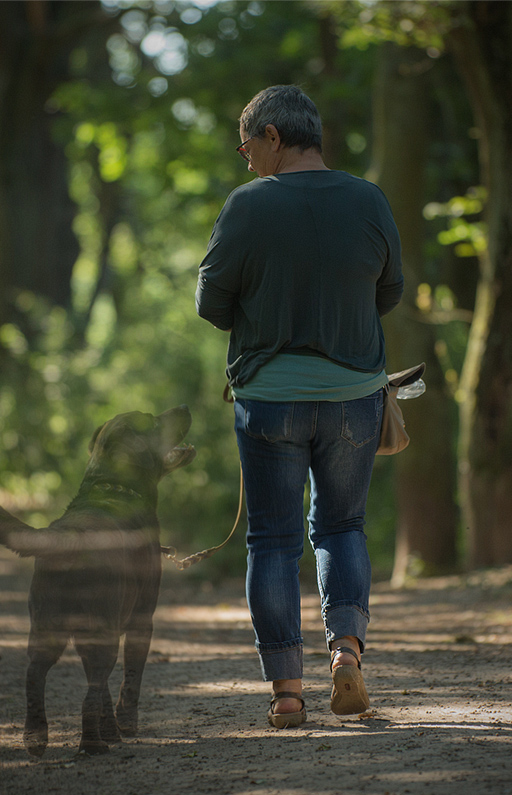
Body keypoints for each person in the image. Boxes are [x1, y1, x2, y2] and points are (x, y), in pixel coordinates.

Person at [195, 85, 403, 729]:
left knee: (274, 540)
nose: (244, 156)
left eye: (247, 143)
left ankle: (287, 693)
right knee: (341, 527)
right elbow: (388, 291)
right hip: (353, 397)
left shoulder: (248, 206)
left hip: (269, 399)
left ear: (274, 136)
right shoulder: (368, 199)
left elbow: (211, 303)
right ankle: (346, 648)